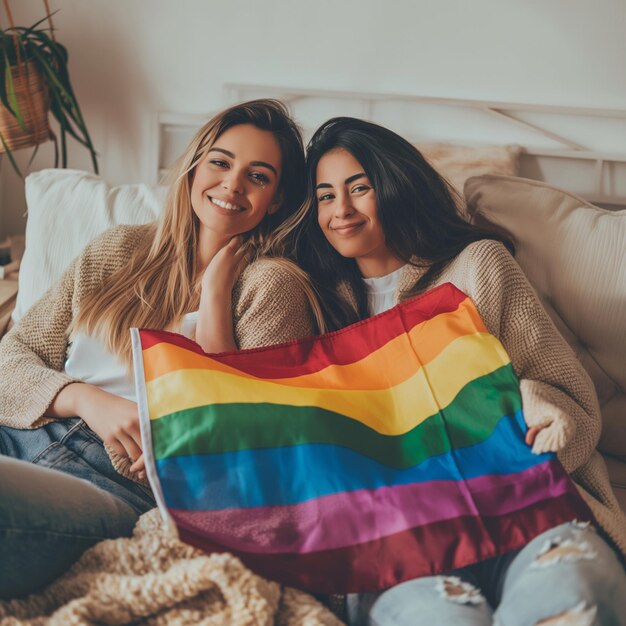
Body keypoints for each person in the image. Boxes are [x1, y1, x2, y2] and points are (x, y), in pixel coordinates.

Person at [294, 116, 626, 625]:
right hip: (405, 542)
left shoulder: (478, 266)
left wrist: (539, 411)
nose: (340, 210)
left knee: (575, 596)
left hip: (528, 508)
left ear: (395, 185)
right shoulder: (313, 305)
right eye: (324, 195)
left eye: (359, 188)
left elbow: (561, 387)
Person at [0, 99, 322, 599]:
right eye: (221, 162)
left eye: (257, 176)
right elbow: (11, 357)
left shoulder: (271, 286)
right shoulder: (118, 250)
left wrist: (216, 298)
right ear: (195, 166)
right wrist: (86, 399)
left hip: (112, 486)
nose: (232, 184)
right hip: (22, 436)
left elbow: (246, 445)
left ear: (276, 200)